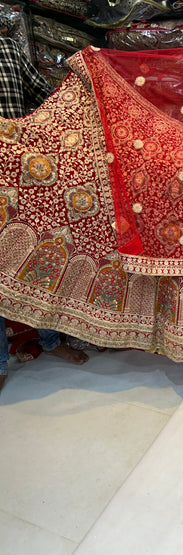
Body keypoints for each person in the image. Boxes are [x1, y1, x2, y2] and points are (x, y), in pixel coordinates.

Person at [0, 36, 88, 391]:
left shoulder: (6, 48)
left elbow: (44, 97)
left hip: (22, 183)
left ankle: (52, 341)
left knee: (37, 264)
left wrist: (87, 84)